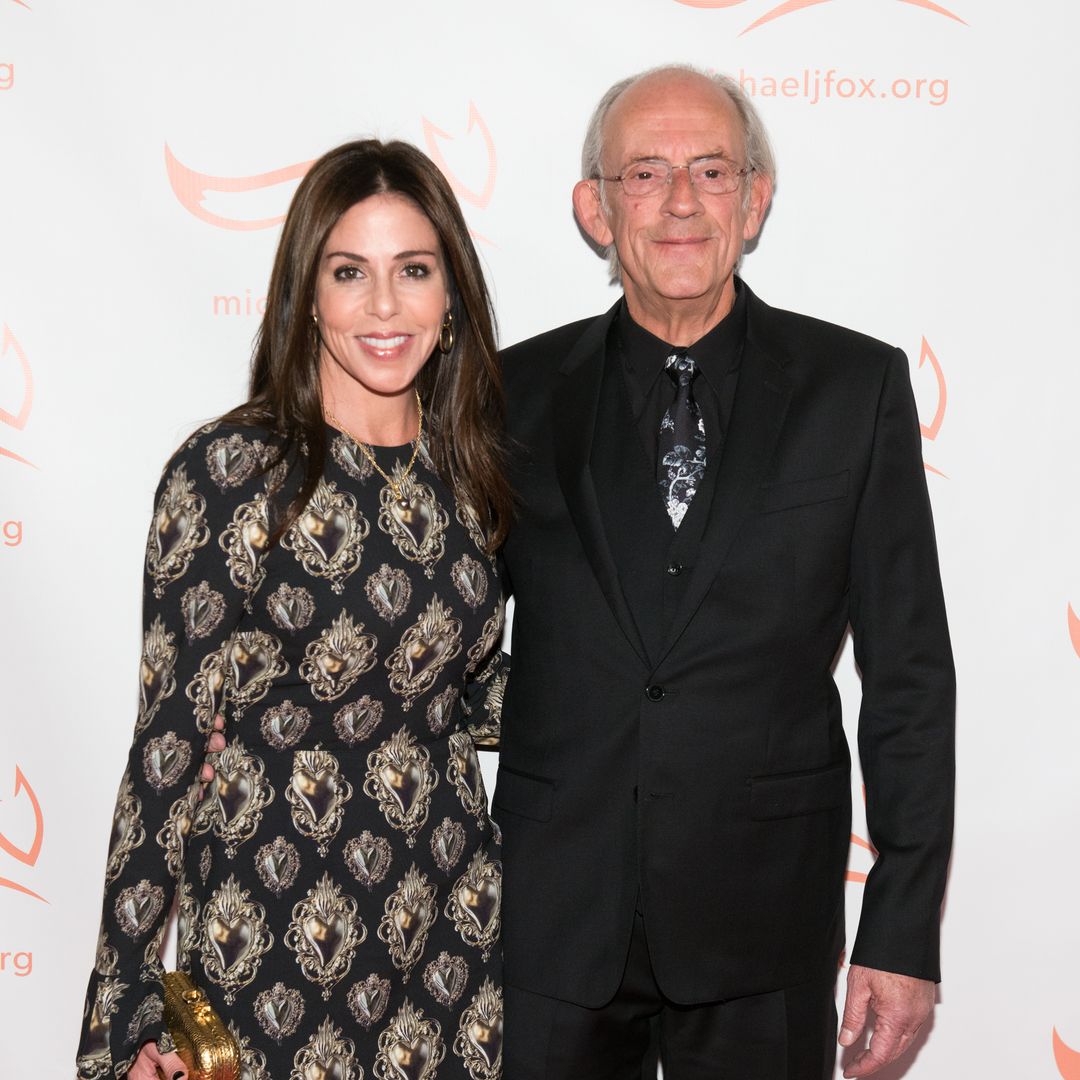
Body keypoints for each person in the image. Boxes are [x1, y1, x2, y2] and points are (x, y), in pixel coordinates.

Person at [490, 65, 955, 1080]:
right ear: (595, 208)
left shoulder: (854, 390)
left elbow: (908, 676)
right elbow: (435, 628)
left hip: (765, 923)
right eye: (645, 174)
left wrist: (902, 930)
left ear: (755, 199)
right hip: (551, 921)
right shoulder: (508, 394)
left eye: (711, 170)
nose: (681, 203)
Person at [75, 139, 512, 1080]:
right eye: (350, 271)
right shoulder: (232, 473)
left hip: (450, 927)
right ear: (307, 294)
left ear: (451, 296)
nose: (385, 306)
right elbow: (167, 750)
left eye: (415, 270)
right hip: (271, 929)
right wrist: (125, 1019)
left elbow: (459, 696)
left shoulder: (474, 475)